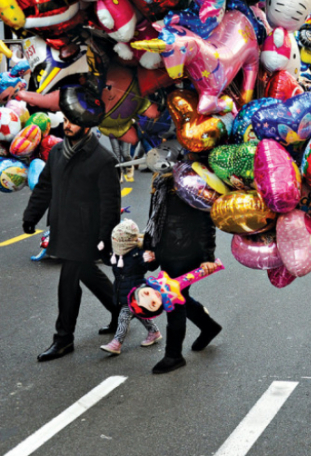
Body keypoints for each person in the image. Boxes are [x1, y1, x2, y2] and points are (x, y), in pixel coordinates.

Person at [23, 117, 121, 362]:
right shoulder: (57, 152)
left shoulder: (103, 159)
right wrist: (31, 216)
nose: (67, 125)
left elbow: (110, 204)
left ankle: (63, 338)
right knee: (87, 272)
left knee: (68, 281)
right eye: (65, 120)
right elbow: (45, 186)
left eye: (73, 122)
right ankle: (121, 310)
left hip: (86, 232)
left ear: (87, 125)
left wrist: (105, 238)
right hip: (62, 225)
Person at [144, 167, 223, 374]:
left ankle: (173, 355)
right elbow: (153, 218)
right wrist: (149, 247)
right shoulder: (160, 181)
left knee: (173, 299)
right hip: (166, 249)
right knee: (180, 296)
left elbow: (206, 220)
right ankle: (208, 326)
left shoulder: (192, 182)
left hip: (185, 251)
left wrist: (207, 257)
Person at [100, 219, 162, 355]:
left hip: (136, 291)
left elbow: (150, 266)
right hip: (122, 289)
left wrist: (152, 258)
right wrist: (103, 250)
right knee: (139, 313)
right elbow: (109, 261)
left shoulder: (138, 254)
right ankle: (154, 332)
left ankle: (116, 343)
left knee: (124, 316)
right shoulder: (118, 254)